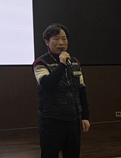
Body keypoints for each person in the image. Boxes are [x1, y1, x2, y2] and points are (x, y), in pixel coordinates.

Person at [33, 23, 90, 158]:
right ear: (47, 42)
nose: (61, 43)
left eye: (64, 39)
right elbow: (47, 85)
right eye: (56, 39)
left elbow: (81, 90)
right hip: (51, 121)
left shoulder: (74, 62)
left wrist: (85, 116)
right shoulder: (41, 63)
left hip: (73, 120)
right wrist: (62, 65)